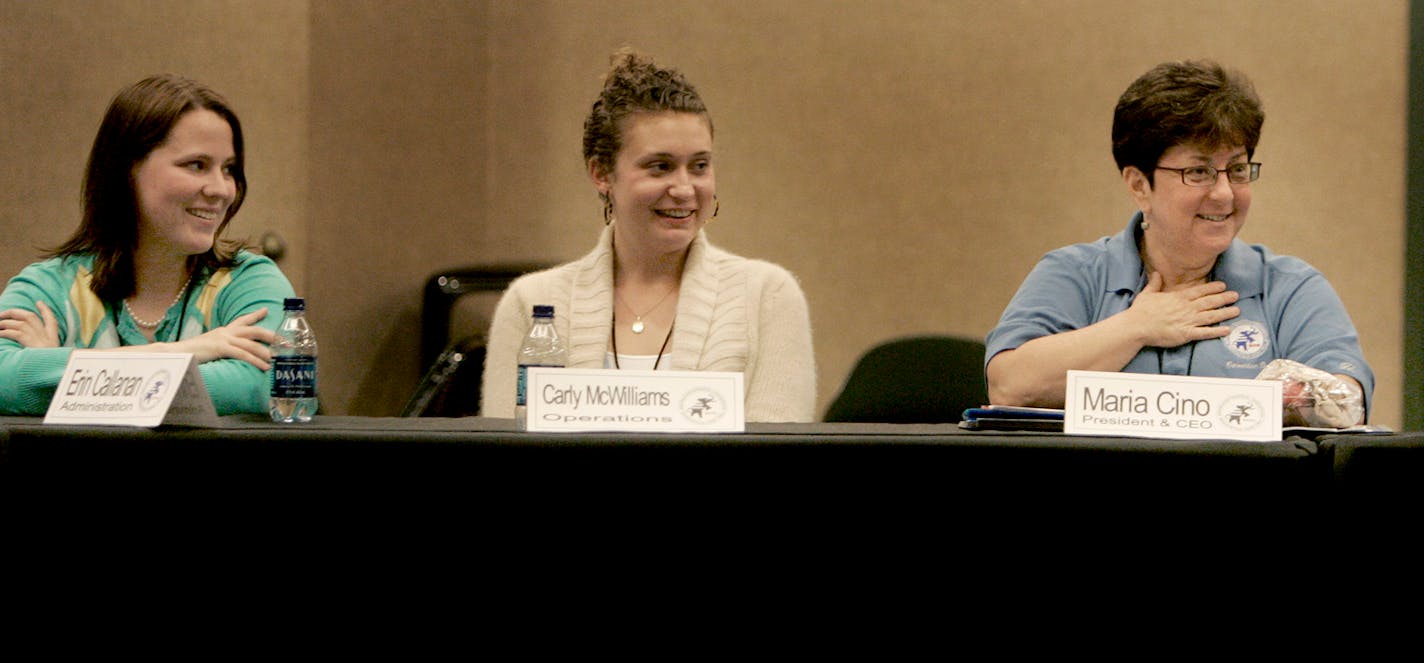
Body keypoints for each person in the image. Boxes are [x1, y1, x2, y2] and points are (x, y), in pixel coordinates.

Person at [985, 60, 1373, 425]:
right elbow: (1010, 385)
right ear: (1139, 186)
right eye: (1199, 171)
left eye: (1237, 169)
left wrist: (1287, 399)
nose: (1224, 193)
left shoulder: (1289, 287)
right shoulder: (1075, 273)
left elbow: (1347, 399)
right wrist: (1137, 327)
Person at [480, 49, 816, 422]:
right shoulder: (532, 303)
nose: (685, 188)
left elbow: (778, 453)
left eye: (700, 166)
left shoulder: (768, 297)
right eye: (661, 167)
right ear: (601, 173)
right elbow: (503, 448)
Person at [0, 75, 295, 415]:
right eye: (196, 165)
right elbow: (4, 381)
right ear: (127, 169)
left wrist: (52, 371)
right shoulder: (48, 286)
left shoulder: (250, 281)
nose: (221, 189)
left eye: (228, 169)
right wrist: (185, 352)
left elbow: (267, 385)